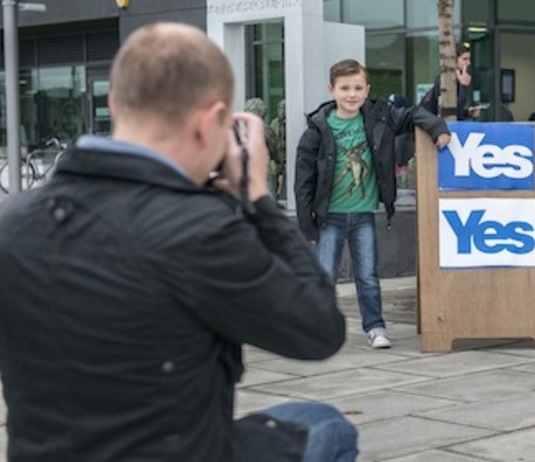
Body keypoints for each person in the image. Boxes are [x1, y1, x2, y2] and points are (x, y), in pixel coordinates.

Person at [0, 22, 356, 462]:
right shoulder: (199, 230)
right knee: (327, 426)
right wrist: (259, 196)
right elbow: (319, 330)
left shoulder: (12, 220)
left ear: (115, 103)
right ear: (210, 124)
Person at [296, 59, 451, 349]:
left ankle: (375, 326)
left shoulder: (381, 116)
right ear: (332, 90)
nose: (351, 94)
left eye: (357, 88)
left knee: (367, 275)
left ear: (367, 90)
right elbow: (303, 180)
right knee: (324, 276)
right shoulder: (316, 129)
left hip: (364, 215)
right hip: (330, 217)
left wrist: (437, 129)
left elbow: (415, 113)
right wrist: (307, 224)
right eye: (344, 88)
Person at [419, 43, 484, 120]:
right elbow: (449, 111)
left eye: (469, 59)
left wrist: (467, 113)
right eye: (464, 59)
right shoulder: (445, 80)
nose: (468, 63)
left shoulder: (458, 79)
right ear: (455, 61)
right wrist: (464, 86)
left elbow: (456, 110)